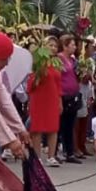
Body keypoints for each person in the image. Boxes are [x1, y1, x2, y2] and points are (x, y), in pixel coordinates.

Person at [29, 36, 62, 167]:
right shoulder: (37, 62)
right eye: (51, 45)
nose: (53, 48)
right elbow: (31, 82)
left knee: (53, 128)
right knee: (37, 128)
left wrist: (60, 100)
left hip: (52, 98)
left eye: (55, 46)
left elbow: (59, 84)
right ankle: (37, 157)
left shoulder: (56, 63)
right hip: (39, 98)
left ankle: (51, 156)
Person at [57, 34, 83, 164]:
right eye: (72, 45)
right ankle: (57, 151)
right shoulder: (59, 59)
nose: (74, 47)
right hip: (63, 95)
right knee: (61, 124)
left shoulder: (73, 60)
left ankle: (70, 152)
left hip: (73, 95)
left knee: (70, 124)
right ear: (65, 46)